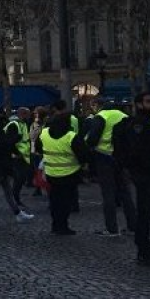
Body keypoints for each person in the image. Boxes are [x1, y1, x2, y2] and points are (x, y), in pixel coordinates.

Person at [113, 92, 150, 266]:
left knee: (147, 213)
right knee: (145, 213)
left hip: (144, 174)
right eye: (148, 101)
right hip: (146, 175)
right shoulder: (140, 125)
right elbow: (140, 151)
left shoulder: (145, 123)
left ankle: (144, 249)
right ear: (138, 105)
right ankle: (144, 251)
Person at [85, 102, 136, 237]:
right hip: (121, 158)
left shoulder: (101, 116)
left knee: (108, 194)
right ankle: (133, 225)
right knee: (125, 193)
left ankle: (112, 228)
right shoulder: (124, 116)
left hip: (104, 156)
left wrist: (89, 148)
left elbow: (93, 138)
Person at [37, 100, 86, 236]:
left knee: (54, 201)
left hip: (51, 173)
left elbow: (40, 148)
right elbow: (83, 154)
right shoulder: (71, 136)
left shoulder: (45, 133)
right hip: (69, 173)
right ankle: (63, 226)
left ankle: (55, 225)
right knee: (65, 202)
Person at [3, 108, 36, 221]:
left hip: (21, 156)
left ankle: (16, 203)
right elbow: (9, 141)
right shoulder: (14, 124)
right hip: (16, 157)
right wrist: (17, 153)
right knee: (18, 179)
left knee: (19, 179)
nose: (29, 116)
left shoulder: (21, 124)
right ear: (23, 114)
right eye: (28, 114)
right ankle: (16, 200)